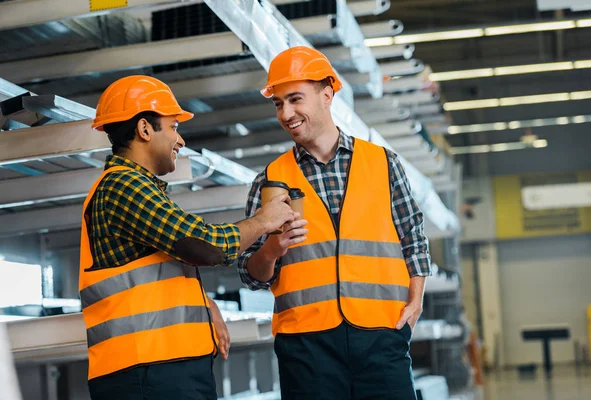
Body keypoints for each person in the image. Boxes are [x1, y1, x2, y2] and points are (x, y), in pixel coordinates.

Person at [79, 75, 296, 400]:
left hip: (157, 370)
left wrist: (203, 304)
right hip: (147, 373)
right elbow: (204, 246)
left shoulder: (136, 188)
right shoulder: (122, 186)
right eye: (173, 127)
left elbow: (159, 268)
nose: (180, 141)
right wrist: (263, 221)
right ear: (144, 129)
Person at [238, 46, 431, 399]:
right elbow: (250, 276)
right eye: (278, 103)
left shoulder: (382, 163)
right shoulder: (270, 180)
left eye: (295, 99)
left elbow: (413, 234)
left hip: (380, 333)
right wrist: (270, 249)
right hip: (306, 345)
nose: (287, 113)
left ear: (327, 94)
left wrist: (416, 300)